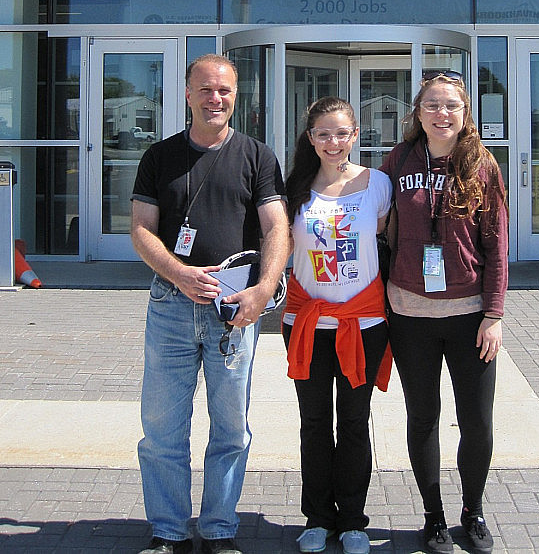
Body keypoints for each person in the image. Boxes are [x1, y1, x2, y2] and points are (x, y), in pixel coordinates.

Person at [131, 54, 289, 554]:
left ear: (235, 95)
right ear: (186, 93)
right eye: (205, 89)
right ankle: (169, 532)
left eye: (223, 90)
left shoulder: (257, 156)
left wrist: (264, 290)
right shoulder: (158, 156)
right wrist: (177, 273)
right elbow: (140, 229)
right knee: (161, 429)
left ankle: (219, 529)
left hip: (233, 311)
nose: (214, 98)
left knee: (231, 429)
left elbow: (275, 227)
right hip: (170, 307)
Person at [380, 71, 508, 554]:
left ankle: (472, 511)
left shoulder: (482, 166)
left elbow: (497, 248)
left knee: (477, 421)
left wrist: (493, 314)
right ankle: (433, 517)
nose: (441, 113)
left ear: (465, 113)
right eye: (432, 105)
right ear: (418, 112)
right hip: (409, 313)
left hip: (469, 314)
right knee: (423, 417)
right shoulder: (398, 160)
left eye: (451, 105)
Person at [283, 97, 392, 554]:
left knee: (353, 421)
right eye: (323, 134)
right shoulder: (292, 189)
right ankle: (317, 518)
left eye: (341, 133)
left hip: (362, 324)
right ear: (310, 138)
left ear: (355, 135)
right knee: (313, 422)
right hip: (305, 322)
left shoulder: (377, 184)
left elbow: (387, 242)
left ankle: (352, 521)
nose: (333, 142)